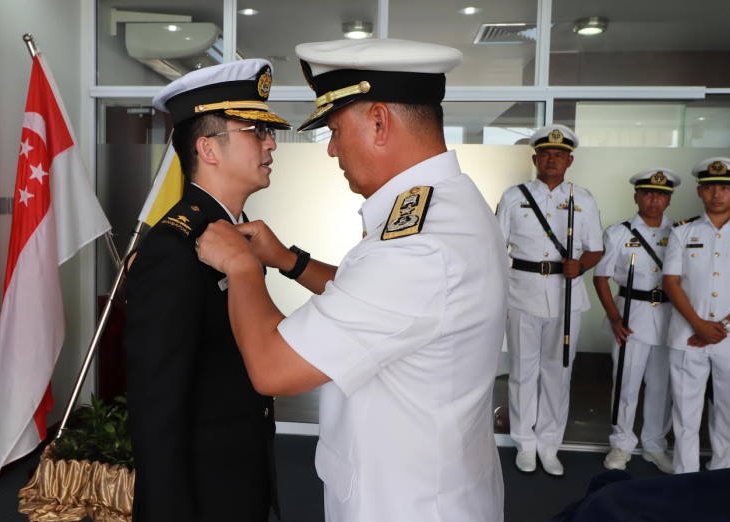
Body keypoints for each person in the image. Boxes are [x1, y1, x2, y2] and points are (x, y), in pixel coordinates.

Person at [196, 38, 506, 522]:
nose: (333, 150)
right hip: (426, 484)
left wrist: (241, 267)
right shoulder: (446, 207)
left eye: (336, 130)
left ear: (379, 122)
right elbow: (383, 305)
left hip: (405, 504)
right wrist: (288, 261)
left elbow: (273, 368)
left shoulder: (420, 244)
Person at [123, 59, 290, 522]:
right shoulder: (174, 247)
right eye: (255, 131)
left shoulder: (237, 234)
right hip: (200, 489)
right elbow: (156, 403)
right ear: (208, 150)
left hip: (239, 469)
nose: (271, 142)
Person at [495, 124, 604, 475]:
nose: (552, 159)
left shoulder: (583, 199)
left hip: (566, 295)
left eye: (559, 154)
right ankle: (524, 444)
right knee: (523, 373)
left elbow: (596, 249)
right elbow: (498, 247)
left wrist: (581, 265)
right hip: (522, 290)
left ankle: (549, 444)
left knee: (558, 373)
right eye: (546, 153)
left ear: (569, 160)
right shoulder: (515, 196)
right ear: (535, 158)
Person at [662, 156, 730, 474]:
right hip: (688, 336)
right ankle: (684, 478)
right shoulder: (682, 231)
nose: (717, 194)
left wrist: (726, 326)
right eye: (710, 188)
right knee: (685, 415)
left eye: (725, 187)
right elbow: (671, 282)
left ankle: (724, 478)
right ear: (700, 192)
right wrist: (699, 325)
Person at [593, 169, 680, 474]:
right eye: (647, 193)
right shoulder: (619, 233)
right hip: (631, 315)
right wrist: (614, 317)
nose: (654, 200)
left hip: (670, 318)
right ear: (636, 196)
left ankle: (655, 444)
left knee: (662, 386)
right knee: (626, 384)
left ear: (669, 199)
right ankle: (622, 443)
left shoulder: (681, 233)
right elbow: (601, 276)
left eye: (660, 194)